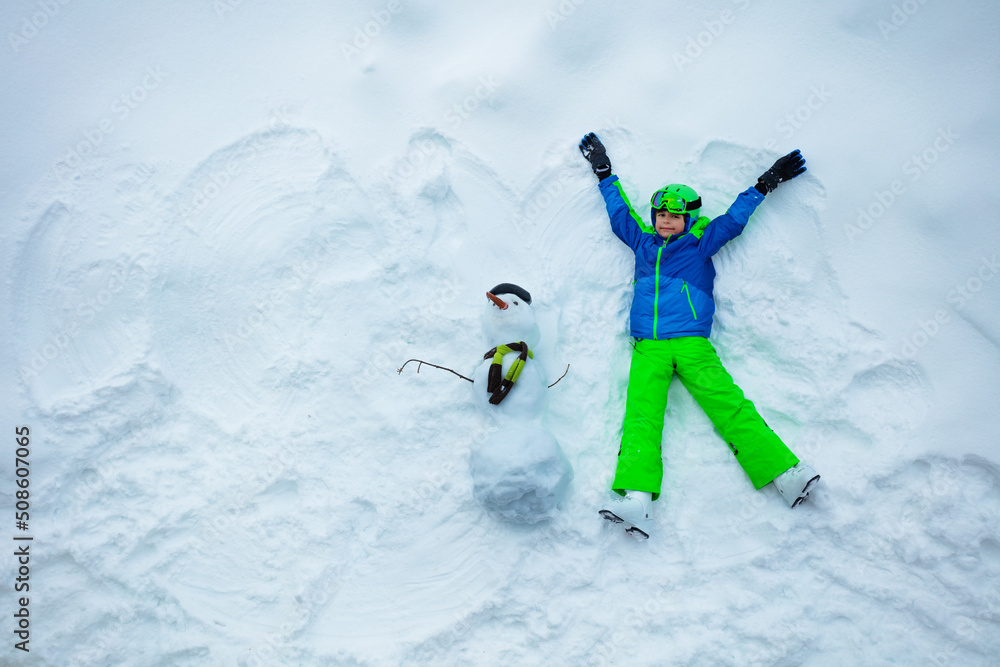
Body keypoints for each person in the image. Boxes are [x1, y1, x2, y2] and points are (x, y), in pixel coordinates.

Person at [579, 132, 820, 539]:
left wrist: (765, 183)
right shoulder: (642, 241)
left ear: (688, 219)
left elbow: (733, 220)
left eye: (674, 216)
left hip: (691, 342)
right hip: (649, 348)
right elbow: (619, 213)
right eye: (660, 215)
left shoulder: (699, 243)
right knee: (641, 417)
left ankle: (786, 473)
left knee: (728, 405)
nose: (665, 221)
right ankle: (636, 499)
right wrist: (604, 172)